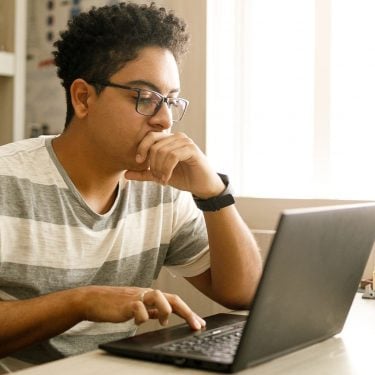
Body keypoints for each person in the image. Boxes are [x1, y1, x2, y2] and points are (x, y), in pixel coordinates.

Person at [0, 1, 262, 365]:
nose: (164, 119)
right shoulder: (5, 181)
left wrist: (213, 193)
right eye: (145, 97)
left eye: (170, 100)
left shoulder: (163, 189)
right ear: (83, 98)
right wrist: (82, 302)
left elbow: (244, 293)